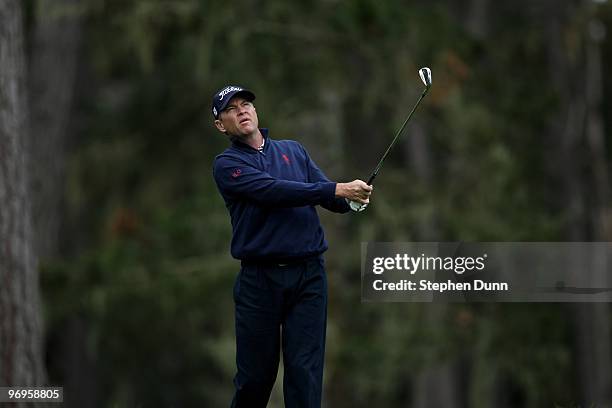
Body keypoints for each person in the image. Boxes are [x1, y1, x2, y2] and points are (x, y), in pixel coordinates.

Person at [211, 85, 372, 408]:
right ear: (220, 125)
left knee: (305, 373)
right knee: (255, 379)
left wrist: (355, 198)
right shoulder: (227, 165)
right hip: (260, 282)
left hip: (308, 277)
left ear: (255, 112)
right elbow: (273, 191)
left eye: (246, 104)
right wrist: (338, 189)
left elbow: (330, 198)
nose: (242, 110)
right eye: (231, 109)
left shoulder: (293, 151)